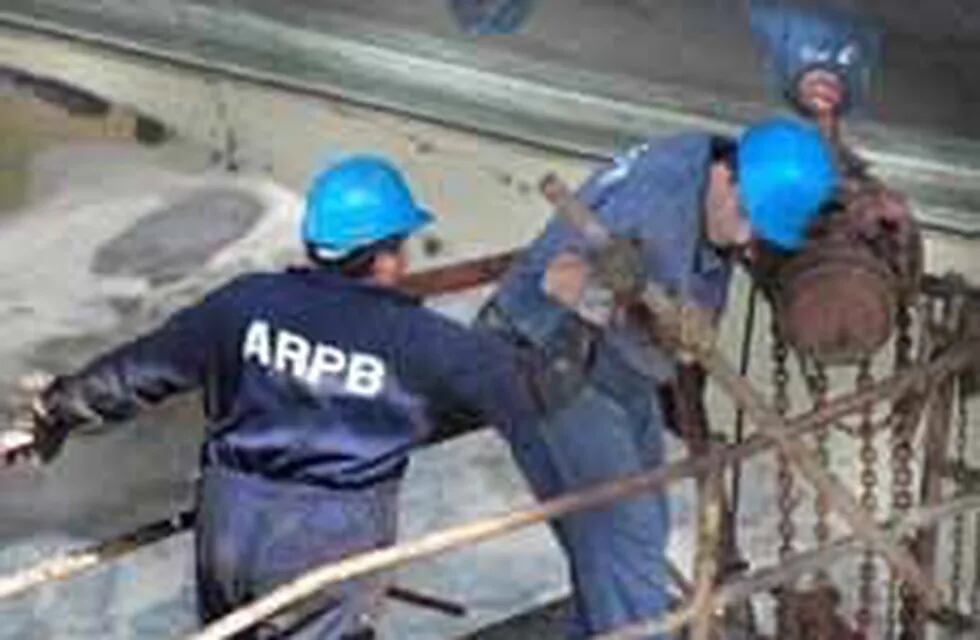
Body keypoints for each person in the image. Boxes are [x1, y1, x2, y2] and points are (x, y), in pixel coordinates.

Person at [22, 156, 545, 639]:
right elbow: (534, 393)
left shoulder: (247, 304)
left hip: (229, 524)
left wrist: (56, 411)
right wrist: (565, 308)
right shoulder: (420, 341)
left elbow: (139, 371)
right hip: (326, 541)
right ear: (384, 255)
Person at [477, 117, 839, 638]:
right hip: (549, 352)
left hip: (621, 362)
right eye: (744, 216)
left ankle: (600, 627)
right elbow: (561, 278)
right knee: (627, 530)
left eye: (758, 228)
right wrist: (617, 292)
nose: (745, 237)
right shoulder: (656, 206)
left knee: (636, 529)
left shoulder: (711, 165)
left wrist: (675, 322)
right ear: (728, 177)